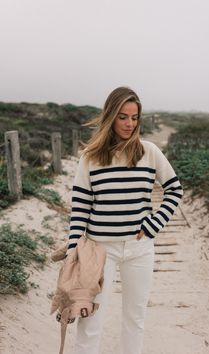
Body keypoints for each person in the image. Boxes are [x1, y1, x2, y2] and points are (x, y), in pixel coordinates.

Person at [68, 86, 183, 354]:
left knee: (135, 320)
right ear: (110, 116)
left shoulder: (149, 151)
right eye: (123, 117)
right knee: (90, 322)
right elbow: (81, 206)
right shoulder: (90, 157)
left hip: (139, 250)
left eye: (134, 117)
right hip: (99, 252)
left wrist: (153, 225)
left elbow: (175, 189)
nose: (130, 124)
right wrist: (74, 248)